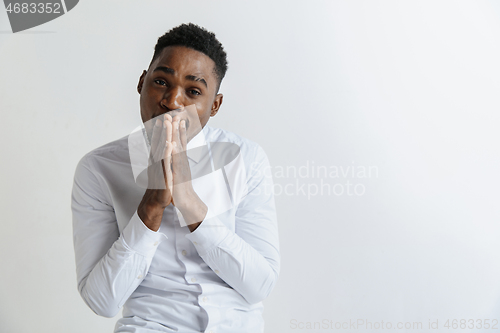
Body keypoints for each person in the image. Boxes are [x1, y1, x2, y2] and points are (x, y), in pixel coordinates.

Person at [71, 23, 280, 333]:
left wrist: (189, 202)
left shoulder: (245, 159)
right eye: (160, 81)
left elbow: (259, 285)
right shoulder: (98, 168)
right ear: (142, 82)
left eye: (193, 91)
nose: (171, 101)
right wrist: (152, 206)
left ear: (215, 104)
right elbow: (102, 301)